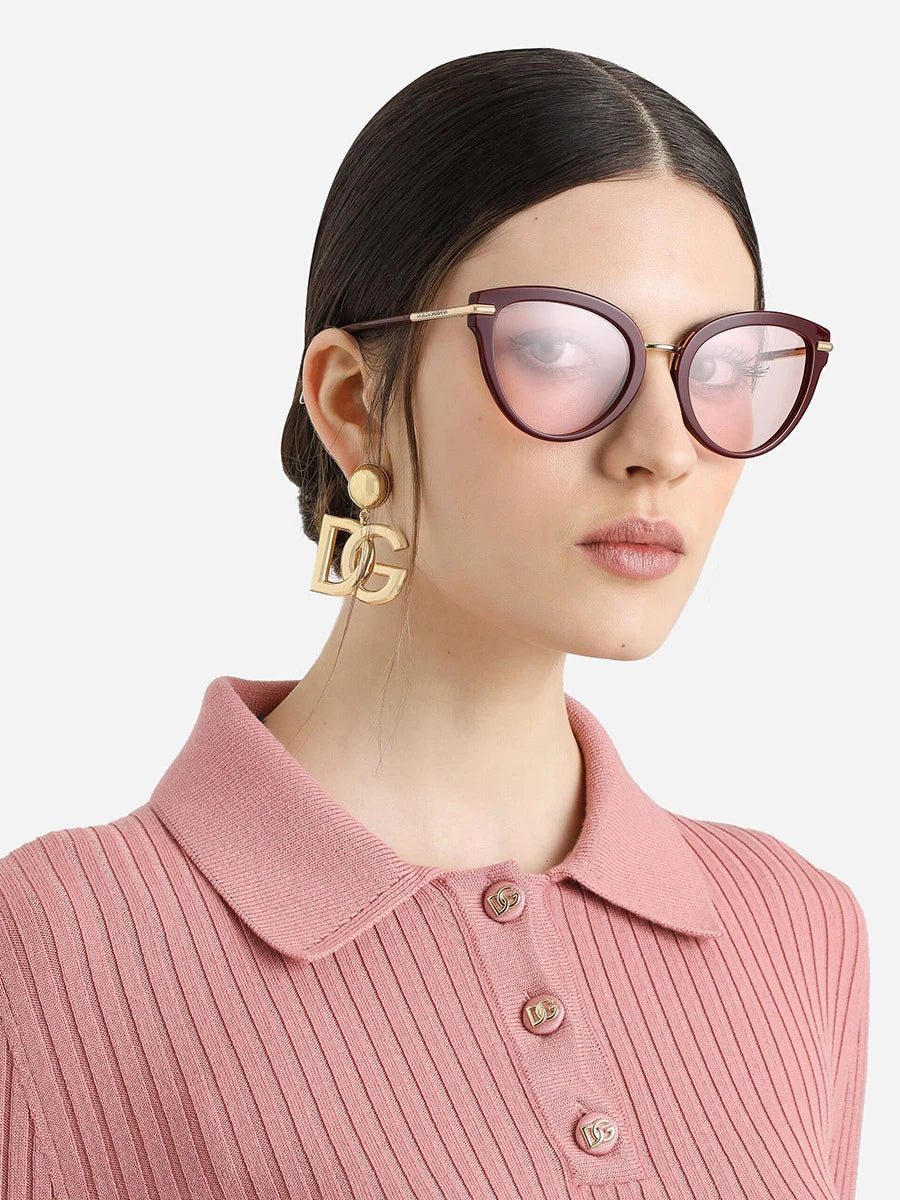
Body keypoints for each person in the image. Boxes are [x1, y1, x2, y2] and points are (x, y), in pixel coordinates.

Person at [0, 47, 867, 1200]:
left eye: (721, 366)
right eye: (561, 350)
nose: (662, 447)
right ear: (352, 403)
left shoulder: (798, 930)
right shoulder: (52, 948)